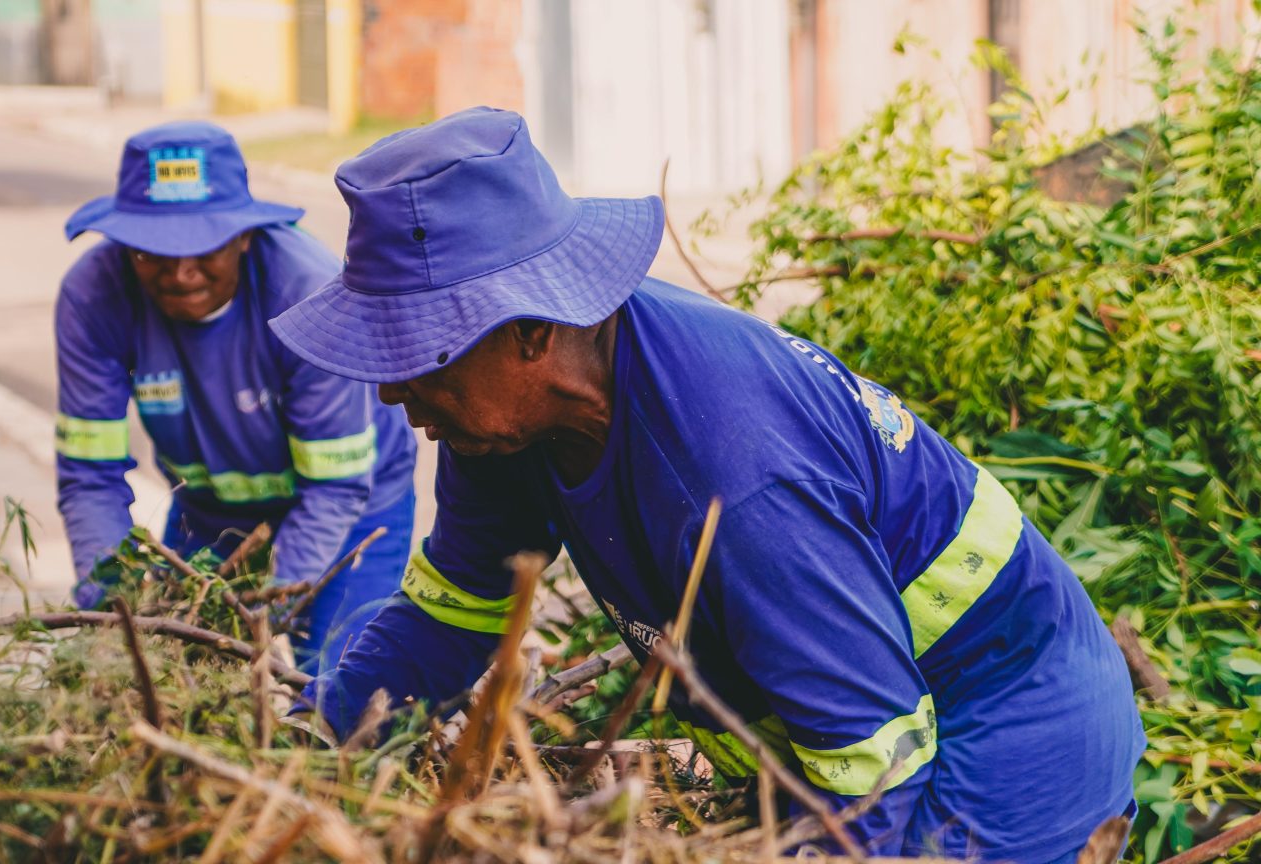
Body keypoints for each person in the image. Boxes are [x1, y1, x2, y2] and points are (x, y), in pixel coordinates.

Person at [268, 108, 1143, 861]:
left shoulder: (736, 474)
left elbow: (872, 771)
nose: (390, 388)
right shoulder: (504, 419)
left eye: (413, 353)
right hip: (846, 714)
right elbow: (451, 610)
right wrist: (309, 751)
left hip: (1010, 715)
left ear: (529, 330)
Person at [55, 121, 417, 673]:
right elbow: (89, 476)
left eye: (203, 248)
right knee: (175, 670)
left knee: (333, 683)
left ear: (244, 236)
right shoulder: (93, 295)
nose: (180, 274)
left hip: (353, 505)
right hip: (210, 512)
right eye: (152, 252)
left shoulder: (305, 293)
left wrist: (260, 619)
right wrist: (114, 608)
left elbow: (334, 487)